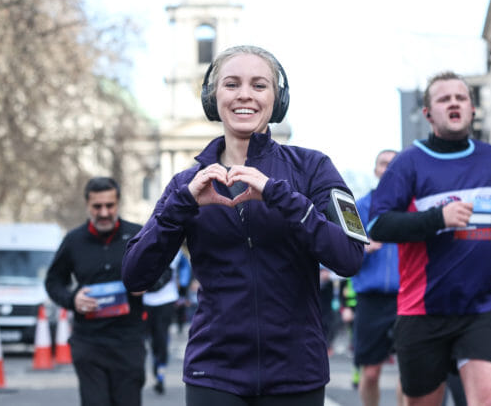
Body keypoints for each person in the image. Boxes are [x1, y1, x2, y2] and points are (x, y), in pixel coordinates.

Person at [121, 45, 365, 406]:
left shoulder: (313, 168)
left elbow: (350, 256)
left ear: (277, 99)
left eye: (259, 85)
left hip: (297, 371)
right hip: (214, 373)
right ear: (212, 98)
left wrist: (280, 197)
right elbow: (134, 275)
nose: (245, 95)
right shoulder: (185, 185)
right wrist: (182, 204)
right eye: (231, 84)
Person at [369, 70, 491, 406]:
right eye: (443, 99)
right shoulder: (409, 163)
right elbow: (378, 225)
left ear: (472, 109)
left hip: (484, 306)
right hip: (423, 310)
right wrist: (437, 218)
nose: (453, 103)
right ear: (428, 114)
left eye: (461, 97)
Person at [45, 177, 145, 406]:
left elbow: (163, 272)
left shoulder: (138, 235)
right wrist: (73, 299)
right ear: (87, 205)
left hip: (128, 343)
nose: (103, 212)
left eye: (109, 205)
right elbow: (53, 282)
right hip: (89, 344)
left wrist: (147, 284)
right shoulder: (73, 240)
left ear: (118, 204)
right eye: (97, 206)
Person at [350, 149, 403, 406]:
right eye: (384, 164)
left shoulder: (410, 208)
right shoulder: (358, 207)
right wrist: (363, 247)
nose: (389, 169)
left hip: (407, 298)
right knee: (370, 373)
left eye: (395, 165)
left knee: (411, 372)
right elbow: (342, 253)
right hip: (370, 300)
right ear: (375, 170)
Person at [143, 251, 184, 394]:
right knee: (151, 340)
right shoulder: (143, 241)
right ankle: (156, 363)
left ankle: (161, 373)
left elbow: (184, 270)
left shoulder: (176, 249)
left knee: (161, 338)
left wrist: (183, 291)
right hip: (145, 302)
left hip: (166, 301)